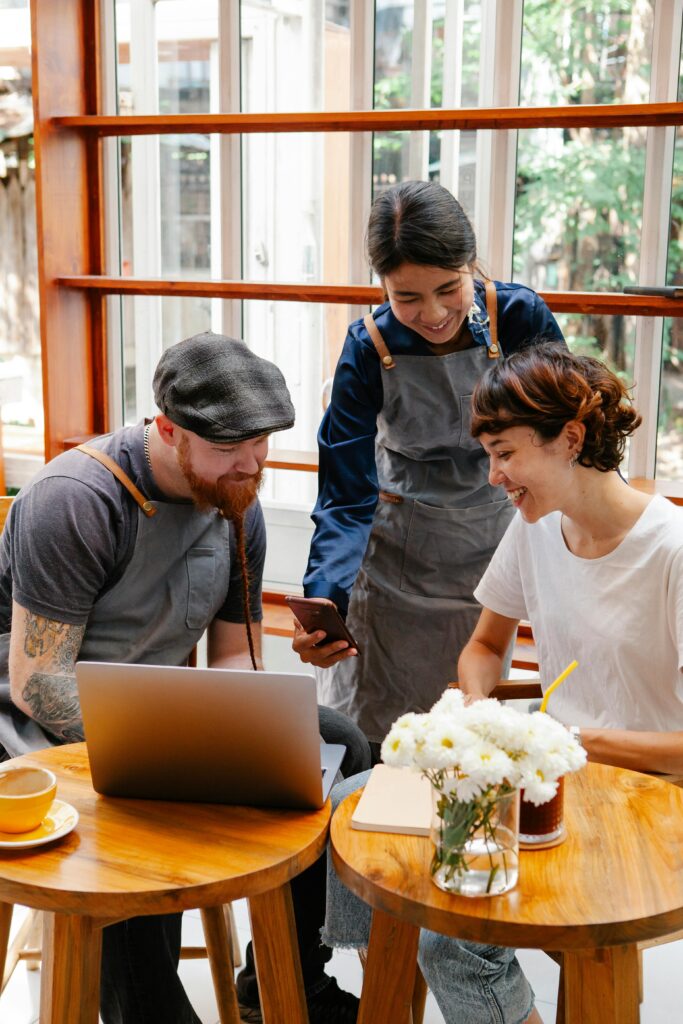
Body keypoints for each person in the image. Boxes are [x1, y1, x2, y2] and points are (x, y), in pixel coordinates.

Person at [0, 332, 369, 1024]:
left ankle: (287, 981)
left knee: (338, 743)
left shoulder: (237, 503)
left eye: (261, 442)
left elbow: (233, 658)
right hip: (35, 729)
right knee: (134, 836)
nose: (252, 463)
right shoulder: (74, 500)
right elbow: (39, 683)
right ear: (167, 430)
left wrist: (247, 734)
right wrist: (169, 757)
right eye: (232, 447)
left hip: (162, 714)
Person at [322, 342, 683, 1024]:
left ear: (570, 439)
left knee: (456, 941)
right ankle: (380, 985)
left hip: (646, 797)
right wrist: (475, 711)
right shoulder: (539, 528)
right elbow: (485, 646)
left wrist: (566, 739)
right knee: (351, 801)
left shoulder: (672, 551)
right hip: (545, 775)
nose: (492, 477)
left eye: (504, 453)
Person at [294, 180, 565, 755]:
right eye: (406, 298)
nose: (434, 314)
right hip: (393, 567)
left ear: (470, 265)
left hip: (493, 551)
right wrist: (323, 603)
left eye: (449, 288)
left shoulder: (517, 317)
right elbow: (345, 495)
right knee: (373, 741)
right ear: (382, 286)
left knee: (467, 738)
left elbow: (565, 438)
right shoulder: (367, 348)